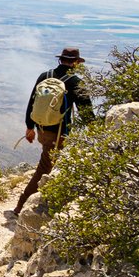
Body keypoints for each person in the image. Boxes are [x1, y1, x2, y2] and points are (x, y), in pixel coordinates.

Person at [13, 47, 93, 214]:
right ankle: (21, 205)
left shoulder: (45, 76)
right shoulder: (75, 82)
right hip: (59, 134)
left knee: (54, 164)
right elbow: (86, 112)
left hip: (42, 130)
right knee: (45, 167)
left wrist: (29, 127)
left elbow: (32, 103)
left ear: (60, 60)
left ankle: (52, 199)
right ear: (76, 63)